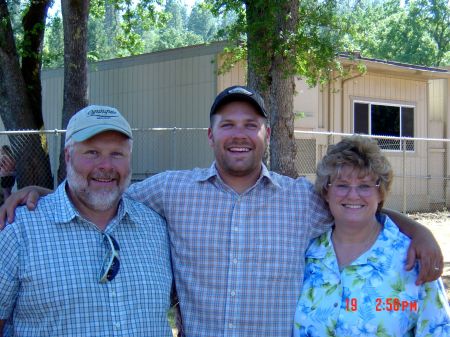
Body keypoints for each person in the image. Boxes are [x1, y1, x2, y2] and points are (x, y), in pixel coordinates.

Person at [0, 87, 444, 337]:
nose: (239, 134)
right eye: (227, 124)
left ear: (267, 134)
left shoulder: (300, 199)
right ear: (210, 134)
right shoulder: (169, 191)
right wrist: (44, 191)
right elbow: (102, 189)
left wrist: (416, 230)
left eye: (250, 125)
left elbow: (354, 203)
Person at [0, 105, 173, 336]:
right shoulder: (18, 231)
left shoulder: (156, 228)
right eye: (92, 152)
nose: (106, 166)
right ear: (68, 155)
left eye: (117, 153)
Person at [293, 135, 450, 336]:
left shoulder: (413, 258)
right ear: (326, 191)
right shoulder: (306, 253)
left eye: (365, 186)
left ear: (381, 193)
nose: (353, 195)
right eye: (341, 185)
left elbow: (437, 330)